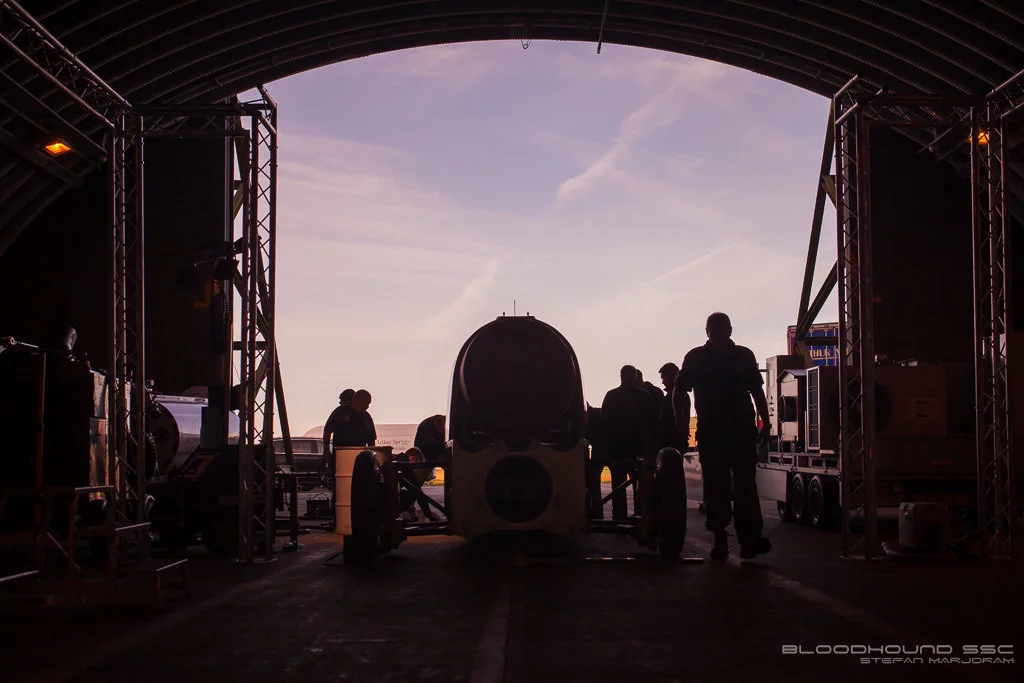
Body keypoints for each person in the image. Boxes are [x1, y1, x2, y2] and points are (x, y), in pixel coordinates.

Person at [673, 312, 772, 560]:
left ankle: (724, 540)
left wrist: (681, 425)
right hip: (736, 432)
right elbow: (757, 393)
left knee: (721, 486)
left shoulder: (696, 357)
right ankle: (746, 541)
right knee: (743, 486)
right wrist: (766, 424)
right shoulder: (742, 355)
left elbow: (678, 392)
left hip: (719, 433)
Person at [600, 365, 657, 520]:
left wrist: (605, 447)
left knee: (619, 486)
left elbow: (604, 423)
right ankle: (639, 517)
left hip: (620, 449)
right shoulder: (645, 397)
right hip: (636, 448)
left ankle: (620, 518)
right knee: (639, 486)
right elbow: (651, 424)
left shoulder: (612, 396)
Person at [655, 362, 684, 453]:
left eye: (664, 378)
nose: (663, 382)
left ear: (671, 376)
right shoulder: (678, 395)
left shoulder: (674, 396)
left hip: (672, 442)